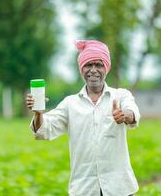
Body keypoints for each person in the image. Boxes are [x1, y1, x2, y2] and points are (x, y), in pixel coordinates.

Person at [26, 40, 140, 196]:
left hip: (119, 188)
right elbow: (43, 130)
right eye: (88, 65)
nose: (93, 70)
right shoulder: (70, 104)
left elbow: (133, 112)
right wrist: (38, 113)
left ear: (106, 68)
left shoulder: (120, 95)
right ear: (81, 70)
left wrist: (124, 115)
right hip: (84, 189)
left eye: (98, 65)